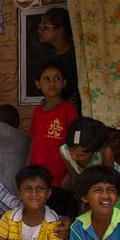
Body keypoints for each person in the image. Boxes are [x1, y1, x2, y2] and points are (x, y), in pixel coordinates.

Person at [28, 61, 79, 200]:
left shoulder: (69, 109)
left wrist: (70, 174)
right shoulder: (37, 112)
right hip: (37, 175)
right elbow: (34, 142)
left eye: (57, 79)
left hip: (59, 176)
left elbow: (75, 143)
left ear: (64, 83)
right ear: (38, 84)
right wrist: (27, 169)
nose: (52, 83)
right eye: (47, 79)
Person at [59, 117, 120, 212]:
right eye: (72, 152)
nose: (74, 157)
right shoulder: (64, 151)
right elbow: (76, 178)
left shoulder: (105, 153)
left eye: (81, 155)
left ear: (95, 151)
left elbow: (107, 182)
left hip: (113, 188)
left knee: (110, 218)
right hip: (89, 190)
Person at [38, 7, 80, 109]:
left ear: (59, 30)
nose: (39, 30)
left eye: (43, 26)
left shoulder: (78, 56)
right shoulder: (51, 56)